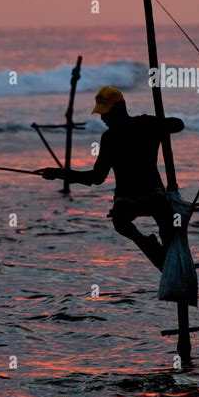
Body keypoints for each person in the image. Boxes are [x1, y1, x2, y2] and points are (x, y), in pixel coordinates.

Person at [40, 86, 184, 270]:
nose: (103, 118)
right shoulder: (130, 130)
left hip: (152, 193)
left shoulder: (138, 127)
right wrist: (60, 174)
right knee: (121, 221)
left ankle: (168, 256)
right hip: (129, 197)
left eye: (106, 113)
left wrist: (161, 123)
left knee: (164, 222)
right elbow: (97, 177)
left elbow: (178, 125)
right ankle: (153, 248)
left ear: (119, 110)